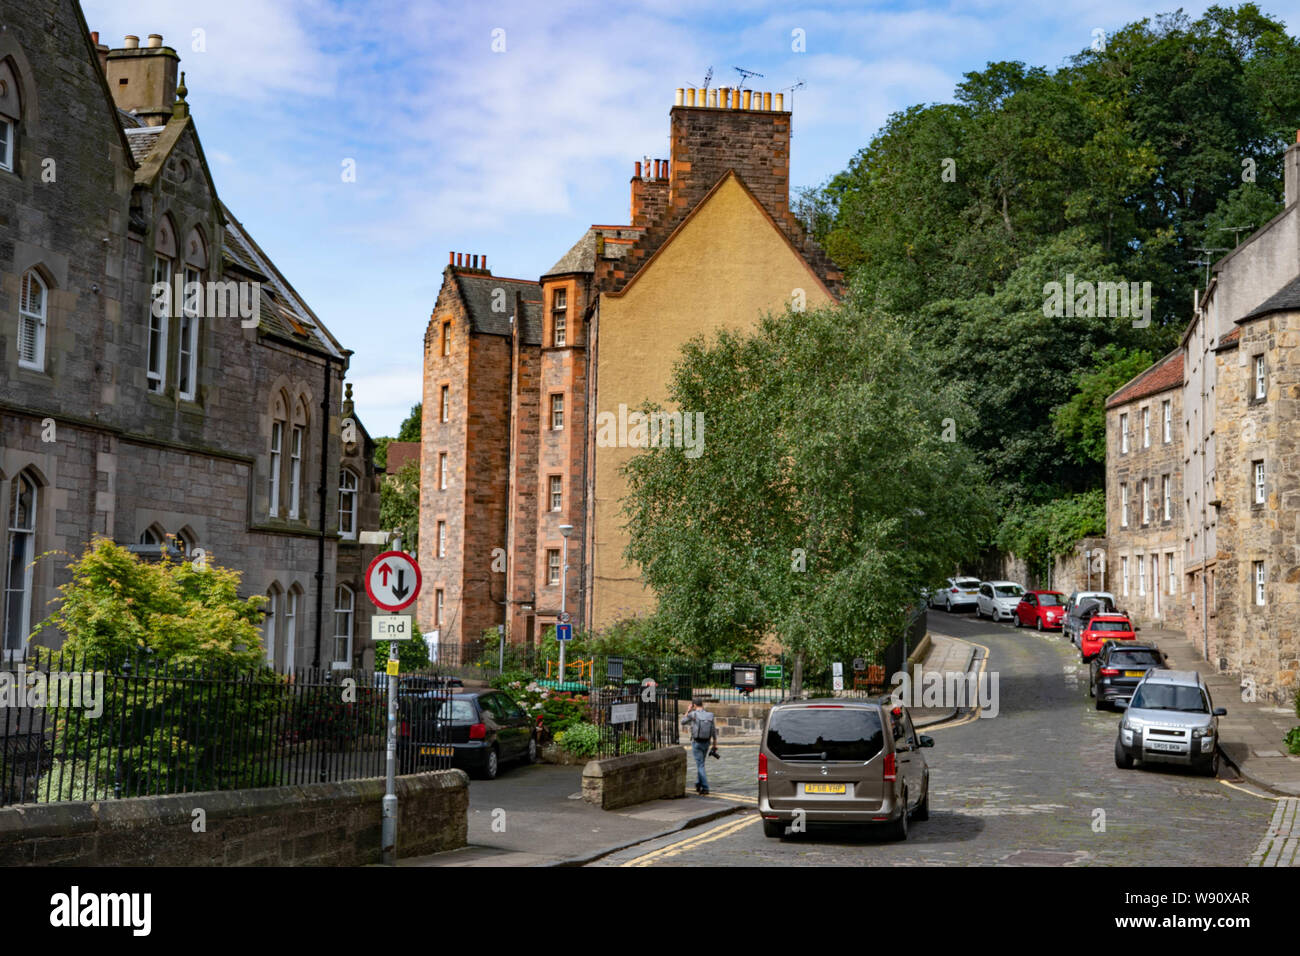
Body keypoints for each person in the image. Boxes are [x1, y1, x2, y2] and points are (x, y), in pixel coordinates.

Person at [681, 698, 717, 794]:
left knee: (700, 765)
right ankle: (698, 783)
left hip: (697, 743)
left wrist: (688, 710)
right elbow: (714, 731)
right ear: (702, 704)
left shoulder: (693, 714)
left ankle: (705, 788)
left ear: (694, 706)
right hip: (707, 742)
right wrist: (715, 744)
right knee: (701, 764)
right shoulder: (710, 715)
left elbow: (683, 721)